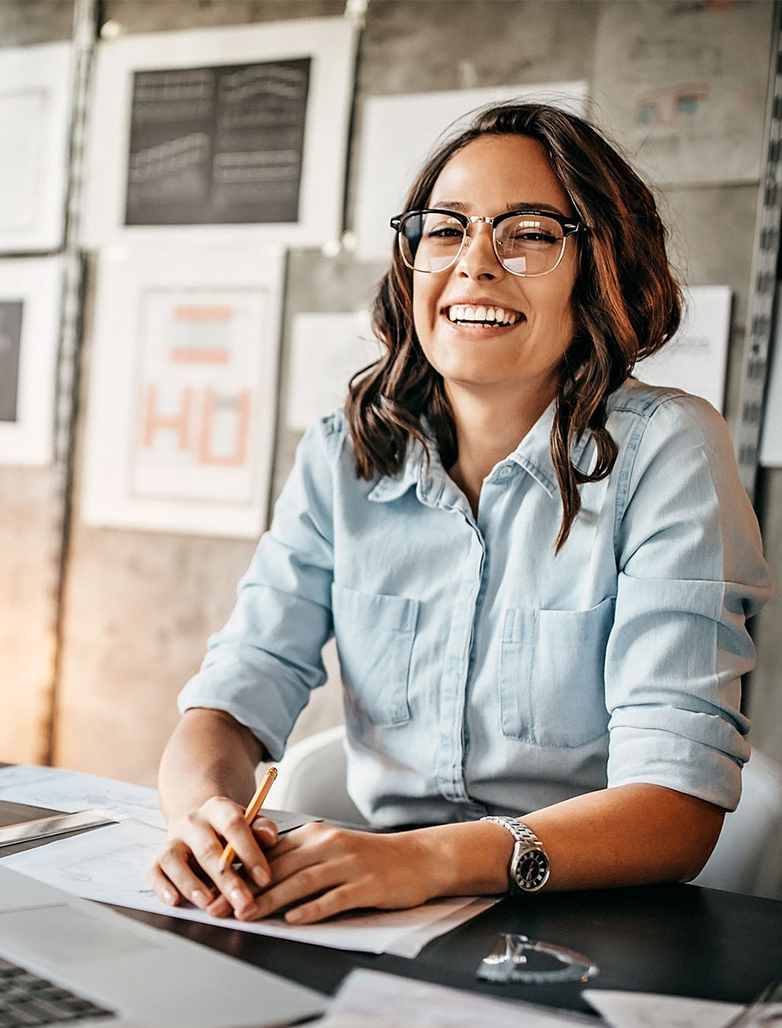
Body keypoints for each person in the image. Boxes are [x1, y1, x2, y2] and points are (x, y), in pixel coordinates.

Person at [149, 102, 773, 926]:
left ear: (601, 265)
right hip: (382, 901)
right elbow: (238, 689)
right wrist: (201, 815)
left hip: (582, 912)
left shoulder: (670, 450)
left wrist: (425, 861)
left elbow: (674, 808)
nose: (475, 264)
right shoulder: (345, 450)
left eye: (529, 233)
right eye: (446, 230)